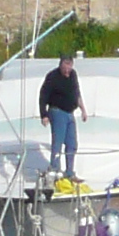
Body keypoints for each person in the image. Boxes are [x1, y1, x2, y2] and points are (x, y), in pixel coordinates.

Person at [40, 52, 83, 182]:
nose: (67, 70)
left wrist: (83, 109)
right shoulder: (52, 77)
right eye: (65, 67)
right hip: (57, 111)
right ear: (61, 65)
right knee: (57, 142)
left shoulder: (73, 75)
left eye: (69, 67)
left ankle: (70, 173)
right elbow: (43, 96)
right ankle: (55, 171)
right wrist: (44, 114)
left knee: (72, 143)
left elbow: (77, 93)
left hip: (70, 113)